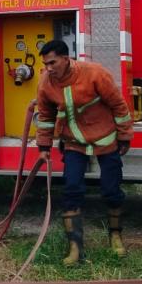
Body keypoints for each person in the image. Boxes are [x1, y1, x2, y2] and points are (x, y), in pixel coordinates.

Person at [35, 40, 134, 265]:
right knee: (71, 190)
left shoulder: (95, 73)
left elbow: (118, 105)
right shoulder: (45, 82)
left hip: (105, 138)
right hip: (73, 142)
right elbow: (45, 116)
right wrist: (44, 147)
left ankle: (116, 236)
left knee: (111, 190)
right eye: (45, 63)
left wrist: (125, 135)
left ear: (65, 58)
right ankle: (75, 249)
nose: (49, 68)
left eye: (52, 62)